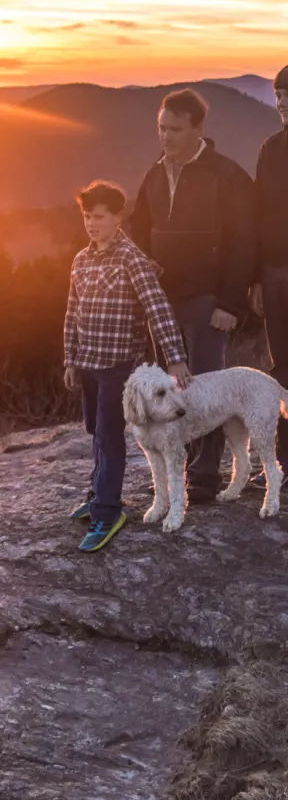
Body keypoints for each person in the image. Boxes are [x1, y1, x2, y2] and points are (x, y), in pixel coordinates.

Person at [129, 88, 255, 501]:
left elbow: (243, 243)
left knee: (203, 390)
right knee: (168, 391)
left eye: (175, 129)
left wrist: (229, 303)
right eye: (161, 128)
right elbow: (138, 228)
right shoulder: (154, 172)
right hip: (162, 304)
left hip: (207, 301)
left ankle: (204, 477)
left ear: (198, 129)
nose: (166, 137)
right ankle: (173, 473)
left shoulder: (226, 175)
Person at [64, 181, 190, 553]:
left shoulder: (131, 259)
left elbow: (157, 309)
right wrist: (70, 359)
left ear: (118, 218)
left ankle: (108, 510)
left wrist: (175, 358)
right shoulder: (81, 260)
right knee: (96, 432)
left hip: (119, 366)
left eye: (99, 217)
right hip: (88, 362)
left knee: (109, 434)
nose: (92, 224)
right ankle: (97, 492)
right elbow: (72, 313)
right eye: (87, 216)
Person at [249, 65, 288, 489]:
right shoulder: (270, 149)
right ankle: (282, 465)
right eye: (279, 95)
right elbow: (257, 217)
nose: (282, 103)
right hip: (275, 273)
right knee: (282, 372)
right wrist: (257, 276)